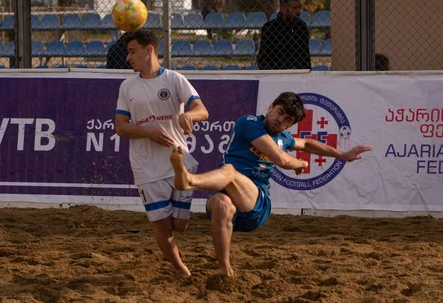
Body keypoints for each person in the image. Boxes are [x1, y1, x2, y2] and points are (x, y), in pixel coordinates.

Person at [169, 92, 373, 278]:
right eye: (280, 112)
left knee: (230, 172)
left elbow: (307, 144)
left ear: (289, 126)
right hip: (229, 196)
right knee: (222, 204)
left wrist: (342, 155)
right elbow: (282, 160)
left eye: (287, 120)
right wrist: (299, 163)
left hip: (257, 204)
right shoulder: (248, 123)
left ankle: (190, 181)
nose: (280, 120)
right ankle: (225, 270)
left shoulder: (283, 137)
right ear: (270, 107)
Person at [114, 29, 209, 278]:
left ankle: (181, 178)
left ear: (149, 50)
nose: (128, 58)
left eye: (132, 52)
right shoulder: (127, 86)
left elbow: (202, 110)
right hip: (147, 167)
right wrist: (148, 132)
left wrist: (188, 114)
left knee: (180, 225)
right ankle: (181, 269)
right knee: (162, 226)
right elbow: (120, 127)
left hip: (177, 158)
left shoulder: (174, 79)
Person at [257, 0, 311, 70]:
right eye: (294, 8)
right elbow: (263, 60)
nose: (299, 11)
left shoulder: (301, 26)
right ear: (283, 8)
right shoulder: (270, 28)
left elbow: (306, 57)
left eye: (299, 7)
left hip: (299, 75)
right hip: (276, 76)